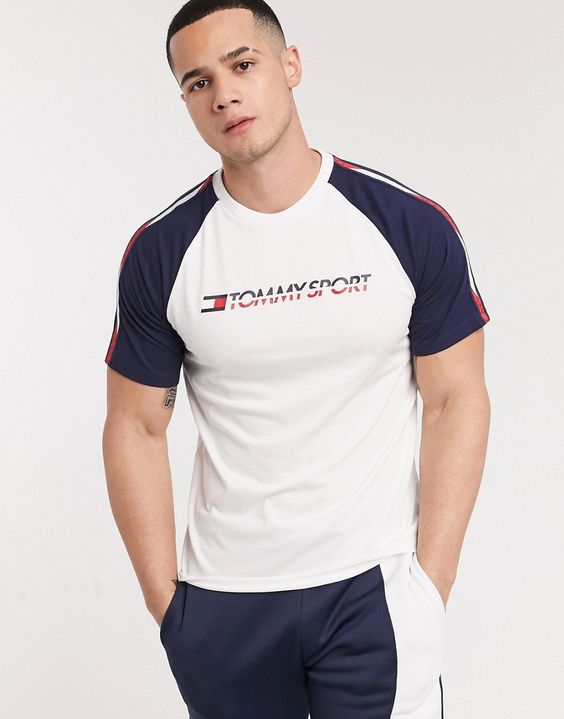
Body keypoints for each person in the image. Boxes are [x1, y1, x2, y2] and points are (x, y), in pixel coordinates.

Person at [102, 1, 492, 716]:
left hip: (372, 592)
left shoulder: (406, 225)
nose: (223, 94)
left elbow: (455, 399)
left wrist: (431, 583)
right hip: (225, 603)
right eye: (198, 82)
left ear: (290, 65)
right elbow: (135, 426)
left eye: (242, 64)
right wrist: (169, 607)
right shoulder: (164, 252)